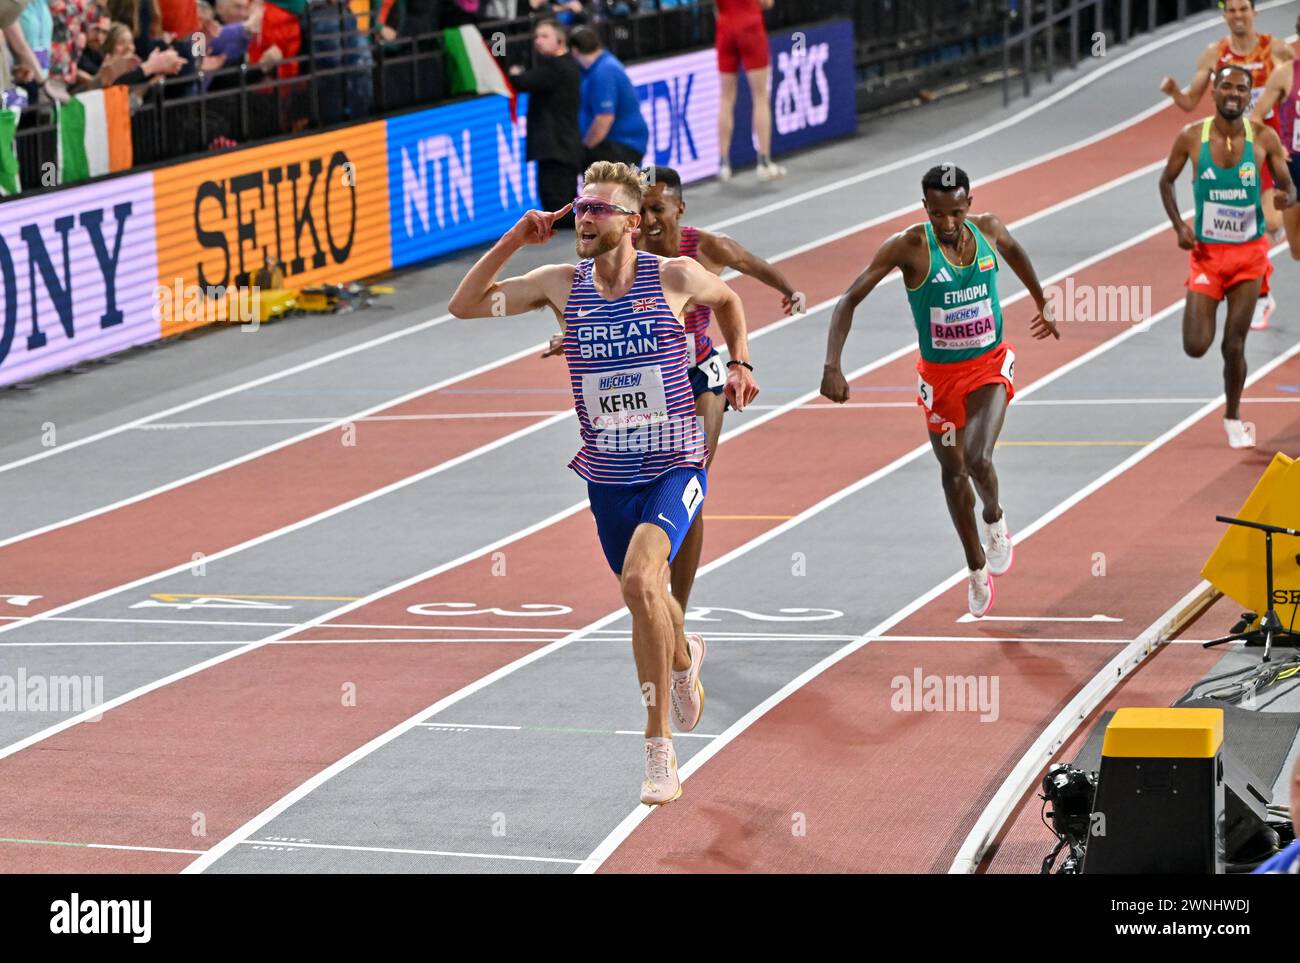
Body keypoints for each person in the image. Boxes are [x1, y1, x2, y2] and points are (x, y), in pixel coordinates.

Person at [449, 161, 759, 806]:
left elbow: (728, 300)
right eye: (580, 207)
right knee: (647, 600)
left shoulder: (672, 275)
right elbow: (465, 305)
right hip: (609, 473)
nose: (583, 218)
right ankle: (683, 656)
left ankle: (657, 750)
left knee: (640, 582)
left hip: (676, 460)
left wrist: (739, 363)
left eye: (598, 210)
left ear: (634, 222)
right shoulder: (560, 284)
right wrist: (514, 239)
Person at [821, 164, 1059, 617]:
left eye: (956, 213)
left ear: (969, 205)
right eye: (938, 215)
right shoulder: (909, 247)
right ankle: (974, 568)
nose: (948, 224)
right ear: (925, 209)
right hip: (939, 379)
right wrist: (832, 364)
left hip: (988, 366)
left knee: (977, 457)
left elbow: (1015, 251)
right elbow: (848, 299)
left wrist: (1041, 299)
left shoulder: (988, 230)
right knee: (952, 473)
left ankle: (994, 517)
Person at [1159, 65, 1294, 449]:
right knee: (1196, 344)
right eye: (1227, 87)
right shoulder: (1190, 138)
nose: (1234, 93)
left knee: (1233, 343)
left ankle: (1233, 415)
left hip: (1249, 256)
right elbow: (1165, 181)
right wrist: (1178, 227)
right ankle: (1205, 314)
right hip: (1206, 256)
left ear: (1249, 94)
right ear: (1214, 92)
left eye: (1242, 88)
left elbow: (1287, 186)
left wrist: (1288, 198)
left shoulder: (1264, 138)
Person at [1160, 0, 1294, 328]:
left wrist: (1288, 140)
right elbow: (1192, 101)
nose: (1237, 16)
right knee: (1241, 219)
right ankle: (1257, 291)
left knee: (1274, 224)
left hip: (1265, 144)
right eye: (1231, 10)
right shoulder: (1214, 54)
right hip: (1230, 147)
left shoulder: (1275, 50)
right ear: (1224, 16)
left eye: (1243, 9)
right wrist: (1176, 93)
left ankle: (1253, 283)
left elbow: (1293, 92)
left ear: (1254, 13)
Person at [508, 18, 582, 228]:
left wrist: (514, 70)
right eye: (536, 37)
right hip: (562, 146)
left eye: (544, 36)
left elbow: (522, 82)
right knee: (558, 204)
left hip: (557, 148)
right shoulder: (565, 64)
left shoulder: (556, 67)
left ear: (560, 40)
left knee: (557, 207)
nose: (538, 41)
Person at [1250, 13, 1300, 261]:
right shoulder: (1285, 74)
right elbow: (1256, 116)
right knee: (1296, 250)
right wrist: (1277, 146)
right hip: (1294, 165)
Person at [715, 0, 783, 182]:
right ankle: (764, 161)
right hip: (750, 25)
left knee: (726, 97)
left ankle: (723, 163)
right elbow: (766, 2)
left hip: (725, 27)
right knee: (760, 96)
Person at [569, 25, 647, 167]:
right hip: (620, 142)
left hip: (621, 143)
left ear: (574, 51)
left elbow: (604, 119)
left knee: (612, 186)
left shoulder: (604, 72)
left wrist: (584, 147)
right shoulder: (599, 66)